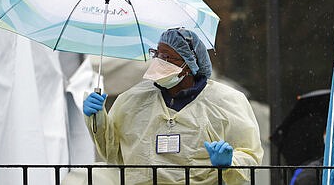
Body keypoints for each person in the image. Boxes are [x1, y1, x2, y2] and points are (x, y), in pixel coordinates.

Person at [83, 27, 264, 184]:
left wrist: (230, 163)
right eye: (157, 54)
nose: (158, 62)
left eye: (167, 57)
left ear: (189, 64)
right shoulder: (132, 100)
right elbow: (112, 152)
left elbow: (251, 156)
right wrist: (97, 118)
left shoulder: (226, 101)